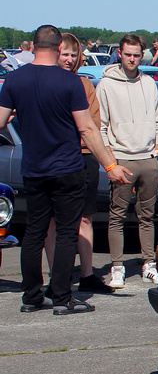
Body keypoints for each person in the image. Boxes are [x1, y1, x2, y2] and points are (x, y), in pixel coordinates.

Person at [0, 25, 130, 315]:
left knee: (34, 232)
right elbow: (86, 128)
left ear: (32, 46)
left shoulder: (14, 79)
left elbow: (0, 120)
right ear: (59, 48)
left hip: (33, 168)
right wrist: (110, 165)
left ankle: (32, 296)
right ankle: (62, 297)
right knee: (67, 232)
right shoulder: (70, 83)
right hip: (67, 168)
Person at [43, 33, 113, 294]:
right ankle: (55, 277)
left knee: (85, 217)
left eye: (74, 55)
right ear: (55, 54)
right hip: (57, 158)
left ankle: (87, 273)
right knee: (53, 221)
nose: (69, 60)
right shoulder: (46, 82)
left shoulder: (85, 85)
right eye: (65, 54)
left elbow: (92, 122)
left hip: (85, 156)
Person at [97, 33, 158, 288]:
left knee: (147, 215)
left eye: (137, 54)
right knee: (117, 216)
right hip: (122, 159)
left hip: (148, 158)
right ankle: (117, 266)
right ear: (120, 54)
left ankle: (149, 263)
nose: (132, 59)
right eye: (128, 54)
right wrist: (111, 162)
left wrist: (157, 149)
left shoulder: (149, 83)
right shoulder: (106, 85)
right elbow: (101, 126)